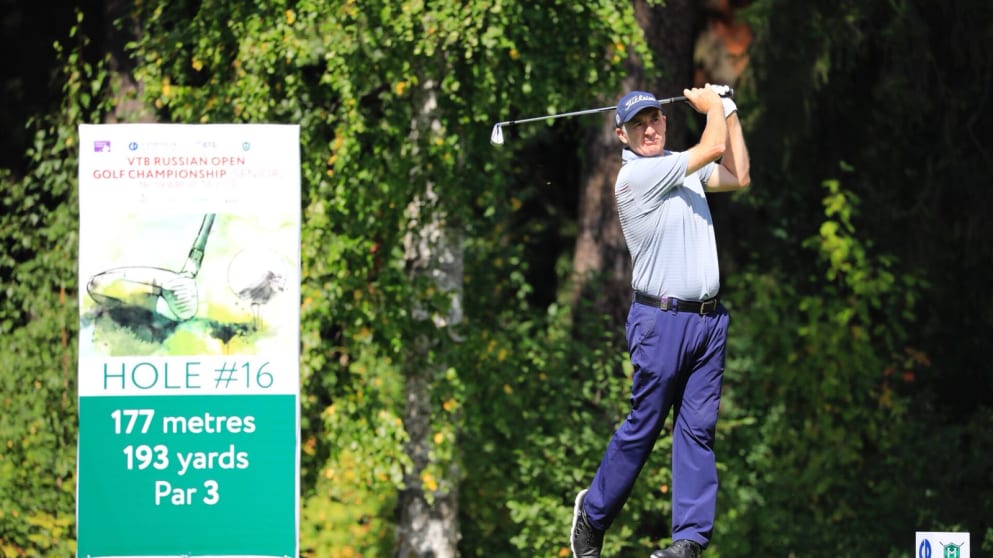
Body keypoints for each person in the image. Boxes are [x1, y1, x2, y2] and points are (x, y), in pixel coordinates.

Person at [570, 84, 750, 558]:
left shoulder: (680, 166)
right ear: (622, 135)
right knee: (645, 425)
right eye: (638, 124)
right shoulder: (637, 176)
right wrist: (714, 107)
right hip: (661, 322)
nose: (649, 129)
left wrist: (729, 109)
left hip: (709, 322)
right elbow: (712, 145)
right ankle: (593, 514)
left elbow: (738, 173)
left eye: (654, 119)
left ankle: (688, 542)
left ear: (665, 121)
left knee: (697, 431)